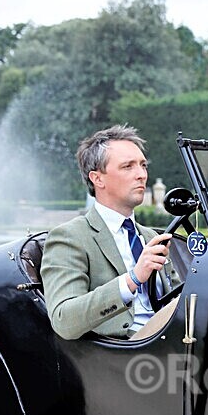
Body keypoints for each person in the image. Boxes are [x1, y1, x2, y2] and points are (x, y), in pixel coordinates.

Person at [41, 125, 177, 340]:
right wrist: (132, 279)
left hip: (174, 341)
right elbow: (64, 320)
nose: (141, 175)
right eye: (127, 167)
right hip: (129, 353)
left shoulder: (151, 237)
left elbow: (181, 301)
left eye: (143, 165)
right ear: (98, 179)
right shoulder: (69, 237)